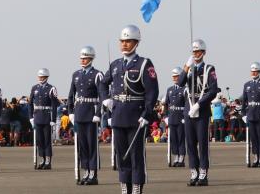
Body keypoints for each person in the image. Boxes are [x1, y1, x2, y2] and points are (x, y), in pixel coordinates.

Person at [100, 25, 159, 194]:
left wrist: (147, 114)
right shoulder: (115, 65)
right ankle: (124, 186)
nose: (124, 44)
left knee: (135, 154)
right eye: (122, 41)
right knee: (121, 154)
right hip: (118, 114)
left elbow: (152, 91)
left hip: (136, 116)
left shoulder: (144, 64)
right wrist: (106, 100)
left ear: (136, 43)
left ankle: (136, 187)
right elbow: (103, 83)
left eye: (128, 41)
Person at [179, 39, 219, 187]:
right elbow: (180, 83)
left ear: (203, 52)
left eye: (198, 51)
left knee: (202, 144)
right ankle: (193, 172)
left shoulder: (209, 69)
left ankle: (203, 172)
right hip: (188, 110)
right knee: (190, 144)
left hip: (201, 111)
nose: (195, 54)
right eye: (193, 51)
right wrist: (186, 67)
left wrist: (199, 104)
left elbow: (213, 90)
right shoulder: (189, 68)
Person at [68, 46, 104, 185]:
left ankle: (93, 173)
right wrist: (71, 112)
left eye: (85, 58)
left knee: (91, 144)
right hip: (79, 113)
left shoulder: (97, 74)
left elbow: (102, 96)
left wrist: (98, 113)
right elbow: (71, 95)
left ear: (91, 58)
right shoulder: (76, 74)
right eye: (81, 58)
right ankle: (86, 171)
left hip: (91, 113)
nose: (83, 60)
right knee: (82, 145)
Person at [241, 62, 260, 168]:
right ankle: (256, 157)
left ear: (259, 72)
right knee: (253, 138)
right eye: (252, 71)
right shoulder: (247, 85)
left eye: (256, 71)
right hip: (250, 114)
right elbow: (243, 101)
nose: (253, 73)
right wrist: (243, 114)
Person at [30, 67, 59, 170]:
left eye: (42, 77)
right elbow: (30, 104)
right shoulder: (34, 88)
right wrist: (31, 117)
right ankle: (42, 159)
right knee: (39, 140)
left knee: (47, 140)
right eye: (39, 76)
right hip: (37, 116)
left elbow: (54, 106)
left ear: (46, 77)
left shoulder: (51, 88)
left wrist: (53, 120)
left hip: (47, 117)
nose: (40, 78)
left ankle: (48, 160)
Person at [163, 66, 186, 167]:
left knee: (181, 138)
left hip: (181, 117)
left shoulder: (185, 89)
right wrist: (166, 116)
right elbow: (166, 104)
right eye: (173, 76)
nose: (174, 78)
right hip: (172, 117)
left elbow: (187, 104)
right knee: (173, 139)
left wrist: (185, 117)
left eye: (176, 76)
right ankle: (176, 156)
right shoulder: (170, 89)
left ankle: (181, 158)